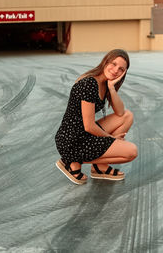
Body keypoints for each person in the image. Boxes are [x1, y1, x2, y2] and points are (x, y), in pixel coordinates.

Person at [55, 49, 138, 185]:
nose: (115, 70)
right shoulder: (89, 84)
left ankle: (100, 167)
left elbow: (121, 112)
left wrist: (111, 88)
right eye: (113, 64)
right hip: (72, 141)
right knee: (131, 152)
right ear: (105, 61)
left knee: (127, 116)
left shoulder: (104, 83)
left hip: (83, 133)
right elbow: (89, 126)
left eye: (121, 69)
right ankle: (70, 159)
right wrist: (111, 139)